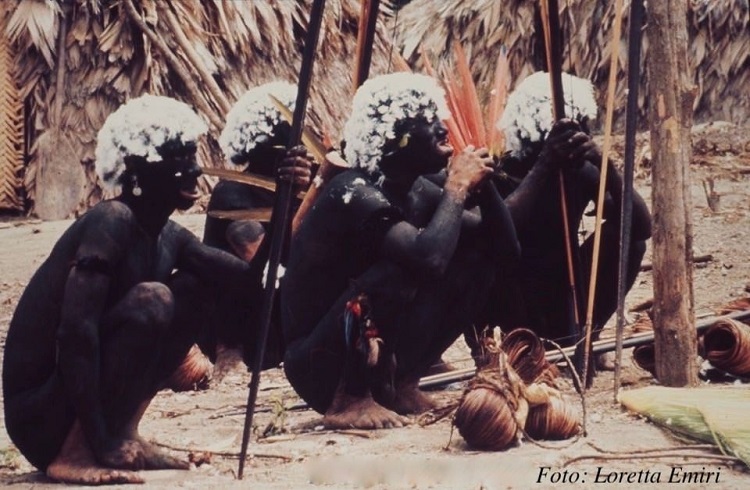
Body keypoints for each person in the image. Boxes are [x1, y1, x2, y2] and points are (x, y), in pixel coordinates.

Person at [1, 95, 312, 485]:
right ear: (136, 171)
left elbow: (250, 283)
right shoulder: (110, 221)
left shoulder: (171, 237)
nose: (195, 170)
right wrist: (94, 440)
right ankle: (76, 451)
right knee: (154, 299)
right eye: (179, 161)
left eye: (192, 157)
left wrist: (285, 201)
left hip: (84, 408)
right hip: (41, 416)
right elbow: (75, 336)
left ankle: (126, 431)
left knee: (196, 288)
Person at [280, 72, 520, 429]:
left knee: (476, 263)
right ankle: (348, 401)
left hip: (376, 356)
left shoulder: (417, 189)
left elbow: (504, 250)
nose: (443, 128)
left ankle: (402, 384)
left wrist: (482, 188)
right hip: (318, 364)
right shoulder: (355, 192)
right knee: (396, 273)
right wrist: (456, 187)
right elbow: (428, 259)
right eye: (427, 121)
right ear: (395, 140)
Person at [488, 71, 652, 354]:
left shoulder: (580, 172)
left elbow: (640, 227)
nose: (580, 138)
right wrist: (544, 165)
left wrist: (606, 168)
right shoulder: (502, 172)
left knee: (628, 240)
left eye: (583, 129)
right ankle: (517, 351)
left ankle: (588, 336)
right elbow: (501, 235)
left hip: (566, 299)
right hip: (514, 306)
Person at [201, 81, 312, 372]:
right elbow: (268, 267)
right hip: (247, 316)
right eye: (284, 139)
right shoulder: (232, 192)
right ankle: (229, 352)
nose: (296, 147)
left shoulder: (308, 187)